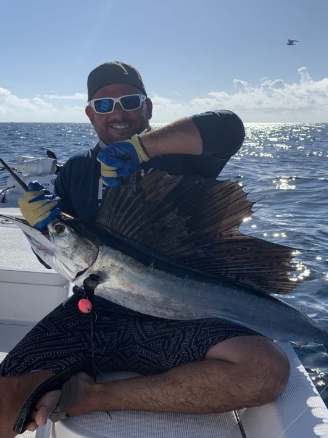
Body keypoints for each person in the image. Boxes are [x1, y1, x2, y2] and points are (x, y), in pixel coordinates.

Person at [0, 61, 290, 438]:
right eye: (104, 105)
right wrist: (40, 230)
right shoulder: (74, 170)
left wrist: (140, 149)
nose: (117, 113)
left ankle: (92, 396)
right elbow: (64, 257)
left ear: (148, 108)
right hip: (95, 314)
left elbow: (228, 127)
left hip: (182, 319)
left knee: (263, 369)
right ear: (90, 114)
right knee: (3, 405)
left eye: (129, 101)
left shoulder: (185, 156)